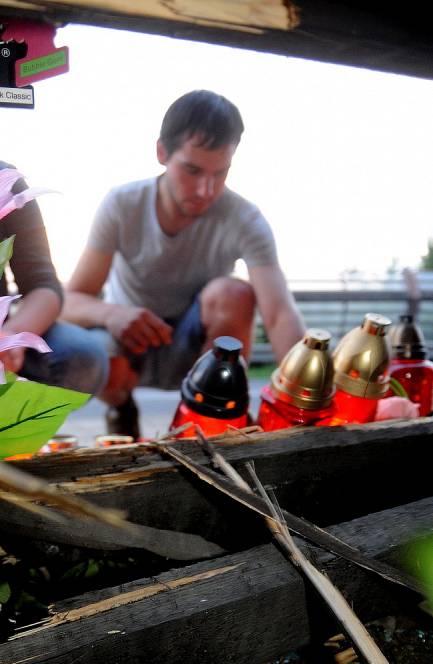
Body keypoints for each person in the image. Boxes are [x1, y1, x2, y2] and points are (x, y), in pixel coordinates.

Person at [61, 90, 306, 438]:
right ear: (162, 152)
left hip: (197, 344)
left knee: (233, 292)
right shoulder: (122, 204)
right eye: (192, 170)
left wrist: (307, 394)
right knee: (97, 350)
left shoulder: (245, 218)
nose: (206, 190)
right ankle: (122, 408)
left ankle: (215, 417)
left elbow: (280, 314)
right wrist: (113, 315)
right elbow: (69, 302)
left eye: (220, 174)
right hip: (130, 343)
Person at [0, 161, 109, 394]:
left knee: (81, 357)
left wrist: (12, 339)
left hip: (4, 345)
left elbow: (43, 285)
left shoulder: (4, 179)